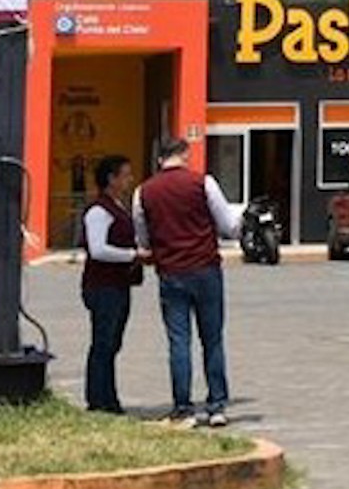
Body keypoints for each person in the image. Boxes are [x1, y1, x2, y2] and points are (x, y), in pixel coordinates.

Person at [133, 137, 240, 429]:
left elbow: (142, 237)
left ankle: (183, 408)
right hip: (205, 269)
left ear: (160, 159)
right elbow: (229, 226)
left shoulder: (144, 191)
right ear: (184, 155)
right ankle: (217, 405)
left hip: (170, 273)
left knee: (179, 342)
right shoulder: (204, 184)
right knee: (213, 340)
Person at [81, 154, 146, 415]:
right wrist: (132, 255)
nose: (130, 179)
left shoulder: (118, 207)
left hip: (119, 284)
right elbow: (98, 250)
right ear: (112, 179)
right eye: (125, 174)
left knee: (112, 343)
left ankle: (108, 397)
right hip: (102, 285)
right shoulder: (99, 211)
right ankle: (99, 400)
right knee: (103, 342)